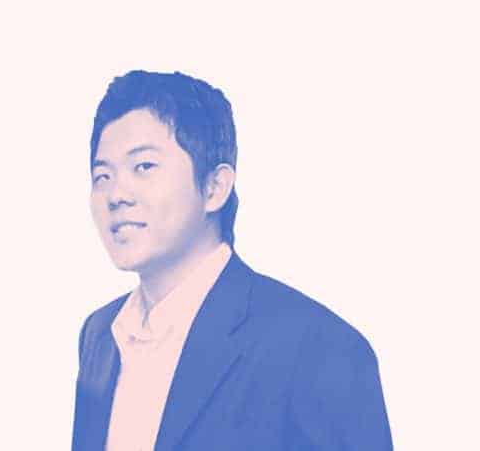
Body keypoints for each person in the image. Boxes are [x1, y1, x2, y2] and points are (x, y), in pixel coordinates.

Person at [71, 70, 393, 451]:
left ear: (215, 187)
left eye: (144, 167)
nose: (116, 194)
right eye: (102, 175)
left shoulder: (319, 349)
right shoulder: (100, 336)